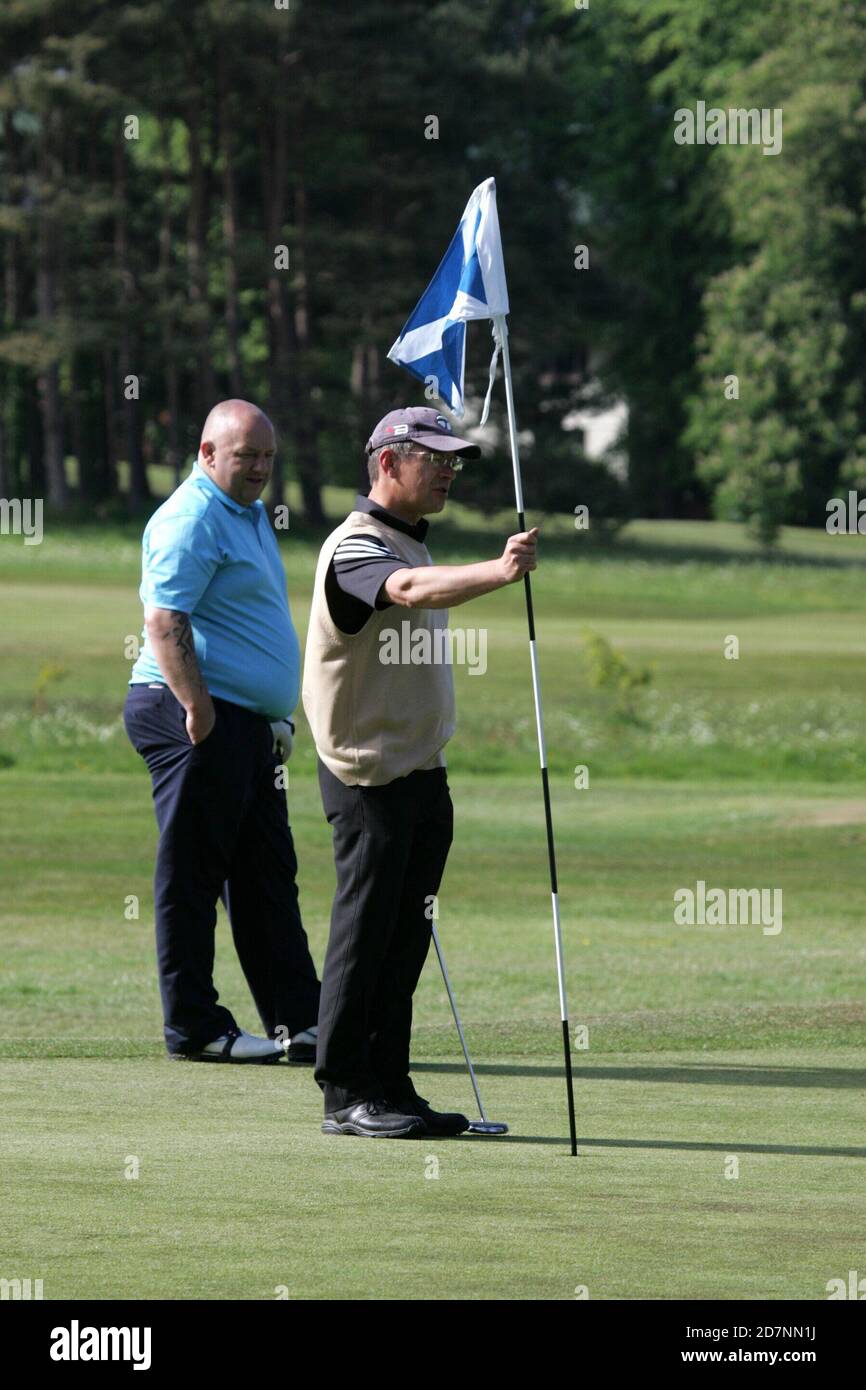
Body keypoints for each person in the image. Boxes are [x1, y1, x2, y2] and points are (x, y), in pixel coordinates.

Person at [303, 405, 538, 1137]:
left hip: (421, 776)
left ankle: (390, 1085)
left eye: (453, 459)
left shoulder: (412, 547)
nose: (447, 470)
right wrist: (501, 571)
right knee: (364, 933)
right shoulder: (356, 548)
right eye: (432, 456)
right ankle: (345, 1094)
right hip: (367, 777)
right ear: (386, 463)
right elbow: (403, 594)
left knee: (404, 942)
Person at [124, 399, 321, 1063]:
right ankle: (196, 1028)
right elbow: (164, 620)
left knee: (267, 875)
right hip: (193, 714)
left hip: (245, 722)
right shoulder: (193, 515)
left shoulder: (247, 511)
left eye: (267, 456)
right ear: (208, 454)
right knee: (194, 875)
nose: (261, 467)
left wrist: (273, 715)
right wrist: (201, 712)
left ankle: (303, 1020)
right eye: (247, 456)